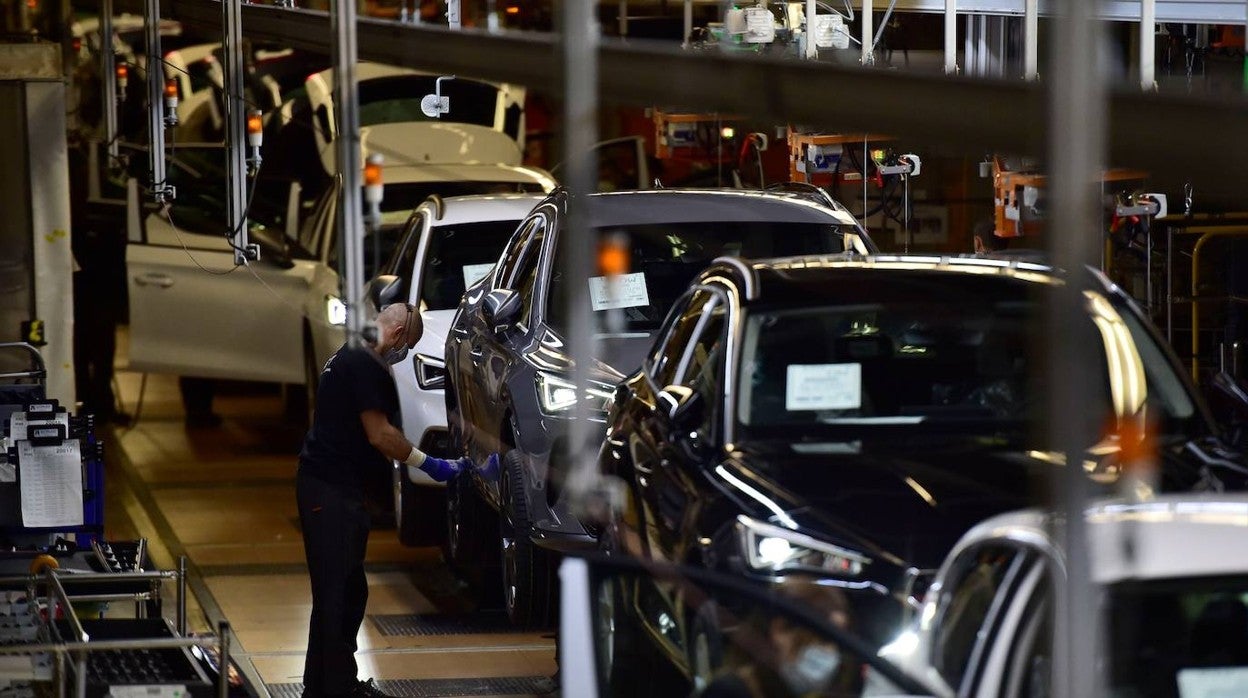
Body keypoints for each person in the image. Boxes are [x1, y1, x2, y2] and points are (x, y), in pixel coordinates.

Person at [297, 302, 464, 698]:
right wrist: (430, 463)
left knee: (340, 590)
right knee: (339, 594)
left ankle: (321, 686)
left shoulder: (348, 353)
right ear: (396, 334)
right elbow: (380, 434)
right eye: (407, 346)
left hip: (328, 487)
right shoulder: (364, 363)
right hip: (330, 491)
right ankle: (336, 689)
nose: (401, 355)